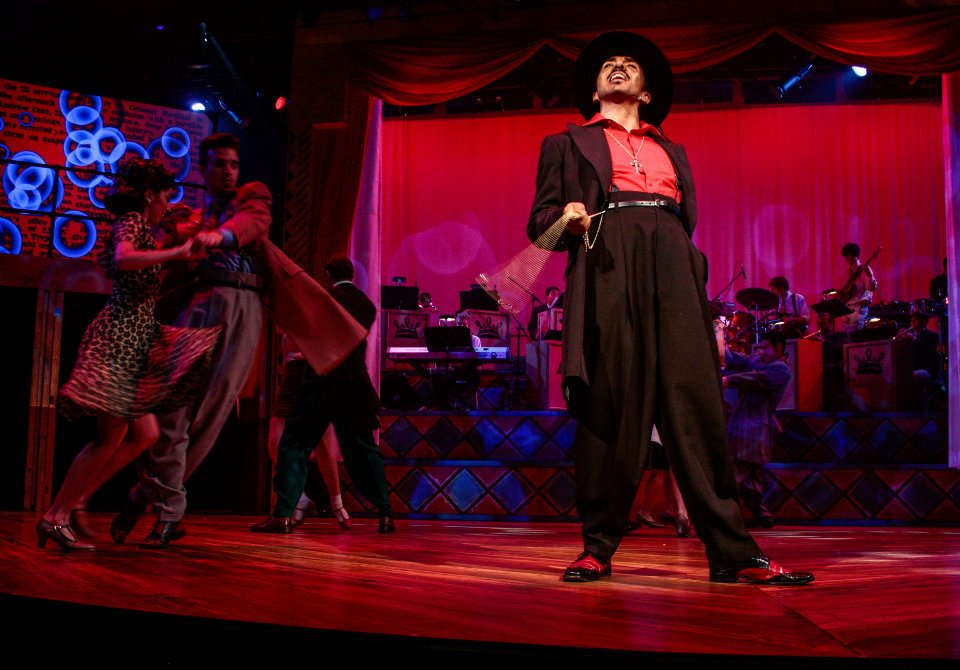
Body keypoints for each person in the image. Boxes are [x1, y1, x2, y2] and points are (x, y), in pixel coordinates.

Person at [526, 31, 813, 585]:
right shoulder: (564, 143)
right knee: (610, 405)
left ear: (647, 92)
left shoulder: (672, 150)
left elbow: (687, 221)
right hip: (608, 263)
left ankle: (732, 552)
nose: (617, 67)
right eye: (607, 64)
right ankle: (597, 547)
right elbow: (540, 230)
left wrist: (684, 264)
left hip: (672, 264)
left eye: (629, 64)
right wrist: (567, 219)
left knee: (696, 404)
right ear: (593, 89)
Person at [111, 133, 367, 548]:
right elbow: (156, 248)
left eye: (233, 164)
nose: (228, 171)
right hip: (197, 304)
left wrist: (219, 237)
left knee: (211, 416)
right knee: (172, 413)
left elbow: (252, 223)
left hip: (241, 304)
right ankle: (166, 505)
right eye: (219, 164)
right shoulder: (190, 217)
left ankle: (151, 497)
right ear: (203, 169)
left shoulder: (251, 198)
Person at [37, 159, 221, 551]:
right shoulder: (132, 221)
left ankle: (74, 500)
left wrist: (177, 243)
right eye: (165, 197)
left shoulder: (143, 228)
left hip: (133, 338)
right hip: (119, 337)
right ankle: (56, 515)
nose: (167, 205)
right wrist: (175, 253)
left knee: (145, 434)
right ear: (149, 195)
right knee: (110, 436)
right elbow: (123, 258)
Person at [251, 255, 395, 534]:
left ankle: (283, 514)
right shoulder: (367, 305)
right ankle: (386, 514)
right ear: (352, 275)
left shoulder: (325, 299)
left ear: (328, 274)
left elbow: (307, 333)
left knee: (294, 445)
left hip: (322, 379)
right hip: (355, 383)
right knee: (365, 449)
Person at [269, 331, 351, 529]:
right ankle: (300, 498)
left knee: (322, 442)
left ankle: (337, 504)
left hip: (314, 368)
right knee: (275, 438)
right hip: (293, 370)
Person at [721, 331, 791, 529]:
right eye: (760, 348)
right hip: (745, 426)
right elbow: (739, 359)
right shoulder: (760, 362)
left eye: (765, 348)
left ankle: (724, 515)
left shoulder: (781, 369)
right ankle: (762, 516)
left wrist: (729, 380)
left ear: (778, 347)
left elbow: (756, 378)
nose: (761, 352)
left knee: (736, 473)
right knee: (752, 479)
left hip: (753, 429)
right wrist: (719, 340)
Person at [625, 426, 691, 537]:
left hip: (657, 438)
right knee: (667, 472)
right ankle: (680, 514)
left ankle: (657, 511)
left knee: (662, 472)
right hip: (668, 437)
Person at [895, 310, 943, 410]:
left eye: (915, 320)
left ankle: (917, 408)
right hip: (912, 367)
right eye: (911, 320)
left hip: (927, 369)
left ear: (924, 322)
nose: (912, 322)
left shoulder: (933, 336)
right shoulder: (910, 335)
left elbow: (928, 353)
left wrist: (914, 339)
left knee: (912, 376)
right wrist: (899, 340)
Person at [836, 242, 878, 333]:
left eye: (849, 255)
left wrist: (869, 276)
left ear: (855, 255)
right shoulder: (847, 273)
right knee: (844, 334)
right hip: (847, 308)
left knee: (855, 332)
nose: (846, 258)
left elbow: (871, 288)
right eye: (845, 256)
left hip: (859, 308)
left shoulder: (864, 270)